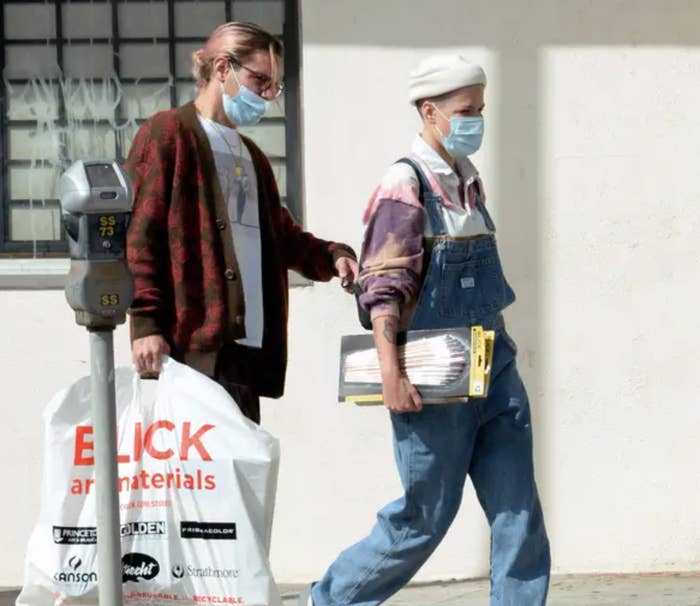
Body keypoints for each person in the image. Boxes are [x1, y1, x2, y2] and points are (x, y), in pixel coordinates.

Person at [301, 55, 550, 605]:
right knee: (424, 517)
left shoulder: (467, 181)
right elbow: (384, 290)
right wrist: (392, 374)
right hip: (433, 380)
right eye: (465, 111)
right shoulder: (404, 184)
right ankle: (331, 600)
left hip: (494, 363)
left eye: (481, 109)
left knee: (519, 513)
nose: (476, 121)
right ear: (430, 111)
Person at [125, 21, 357, 423]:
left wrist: (331, 256)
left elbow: (281, 237)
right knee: (197, 479)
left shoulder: (252, 156)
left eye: (274, 86)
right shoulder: (168, 135)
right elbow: (141, 235)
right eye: (259, 80)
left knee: (242, 478)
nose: (266, 95)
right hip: (191, 346)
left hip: (247, 350)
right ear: (221, 69)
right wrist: (145, 323)